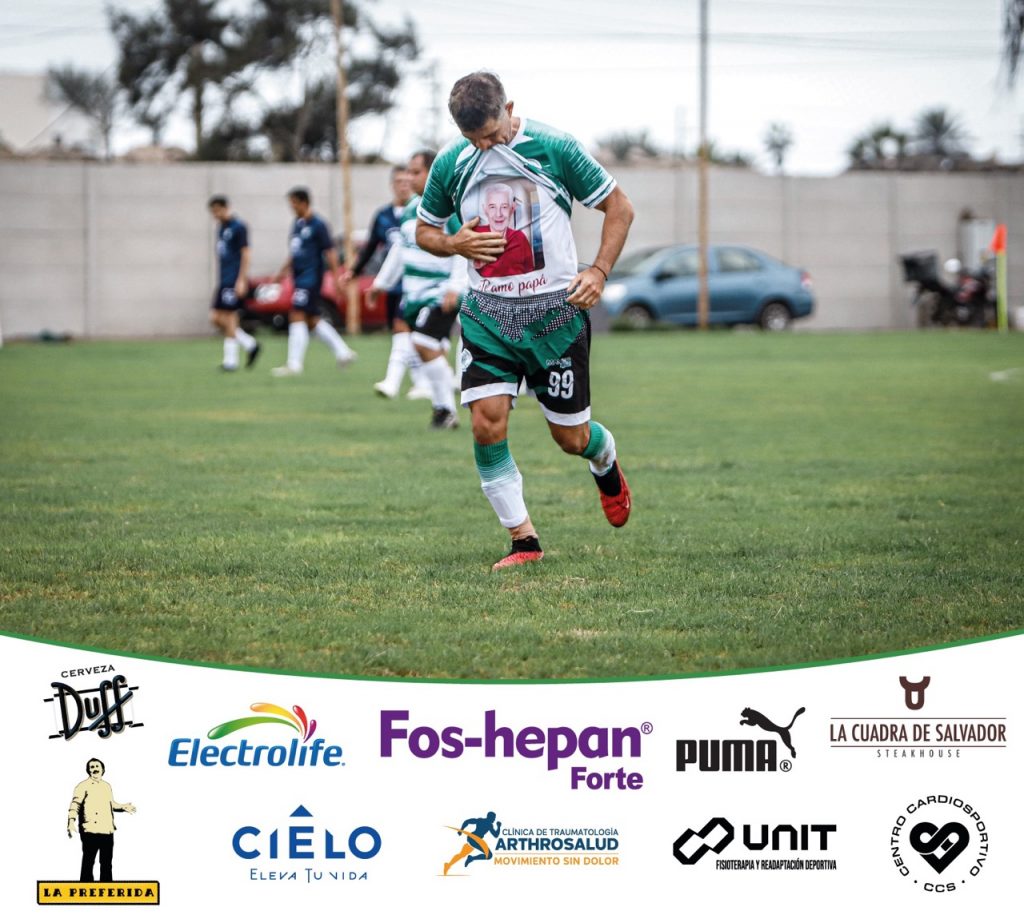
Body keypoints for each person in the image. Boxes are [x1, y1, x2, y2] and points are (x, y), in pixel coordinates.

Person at [416, 71, 635, 570]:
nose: (486, 146)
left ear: (510, 108)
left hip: (556, 317)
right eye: (475, 138)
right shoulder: (452, 162)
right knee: (485, 423)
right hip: (487, 316)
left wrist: (598, 271)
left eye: (492, 134)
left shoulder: (555, 148)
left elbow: (619, 208)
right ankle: (524, 540)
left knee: (570, 439)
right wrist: (453, 243)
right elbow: (425, 230)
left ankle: (604, 459)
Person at [369, 150, 466, 429]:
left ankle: (447, 407)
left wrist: (454, 287)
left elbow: (463, 245)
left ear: (433, 172)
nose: (409, 178)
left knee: (423, 343)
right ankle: (443, 410)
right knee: (427, 347)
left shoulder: (448, 207)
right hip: (414, 292)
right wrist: (380, 283)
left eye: (415, 172)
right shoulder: (411, 209)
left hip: (439, 291)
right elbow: (400, 249)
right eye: (408, 172)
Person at [342, 167, 431, 401]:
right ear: (392, 185)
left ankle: (410, 382)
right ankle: (421, 382)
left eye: (408, 180)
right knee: (402, 332)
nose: (404, 185)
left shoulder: (425, 209)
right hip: (394, 285)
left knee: (412, 332)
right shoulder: (383, 215)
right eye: (399, 181)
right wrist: (355, 272)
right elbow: (372, 246)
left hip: (419, 284)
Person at [270, 187, 357, 376]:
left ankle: (294, 364)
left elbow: (330, 252)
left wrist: (336, 278)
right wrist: (282, 272)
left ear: (304, 202)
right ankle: (343, 352)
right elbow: (295, 253)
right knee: (311, 320)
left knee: (297, 314)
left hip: (311, 278)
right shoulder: (297, 224)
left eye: (294, 203)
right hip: (299, 277)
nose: (292, 207)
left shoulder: (318, 224)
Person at [207, 195, 260, 371]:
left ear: (226, 208)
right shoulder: (220, 228)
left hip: (234, 279)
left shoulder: (239, 227)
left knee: (230, 317)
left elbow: (246, 253)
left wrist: (241, 279)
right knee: (215, 318)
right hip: (224, 279)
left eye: (217, 210)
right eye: (213, 212)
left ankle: (231, 361)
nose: (215, 215)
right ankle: (250, 343)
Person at [67, 758, 136, 882]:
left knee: (106, 863)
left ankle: (107, 889)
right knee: (88, 862)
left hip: (107, 830)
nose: (95, 769)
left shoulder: (106, 786)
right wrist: (71, 821)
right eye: (92, 767)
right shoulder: (82, 786)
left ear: (103, 769)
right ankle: (85, 889)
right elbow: (75, 804)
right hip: (90, 830)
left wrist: (123, 807)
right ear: (88, 770)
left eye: (97, 766)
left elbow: (112, 804)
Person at [473, 182, 534, 278]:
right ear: (485, 210)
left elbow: (530, 273)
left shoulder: (520, 237)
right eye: (492, 207)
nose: (498, 214)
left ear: (512, 208)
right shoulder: (475, 235)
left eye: (504, 207)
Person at [444, 811, 502, 875]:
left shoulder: (480, 820)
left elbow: (467, 821)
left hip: (471, 838)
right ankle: (471, 858)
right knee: (489, 855)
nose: (494, 820)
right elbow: (496, 835)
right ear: (490, 817)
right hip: (476, 840)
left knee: (462, 854)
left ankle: (448, 865)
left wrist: (461, 830)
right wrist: (499, 826)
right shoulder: (489, 825)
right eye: (494, 818)